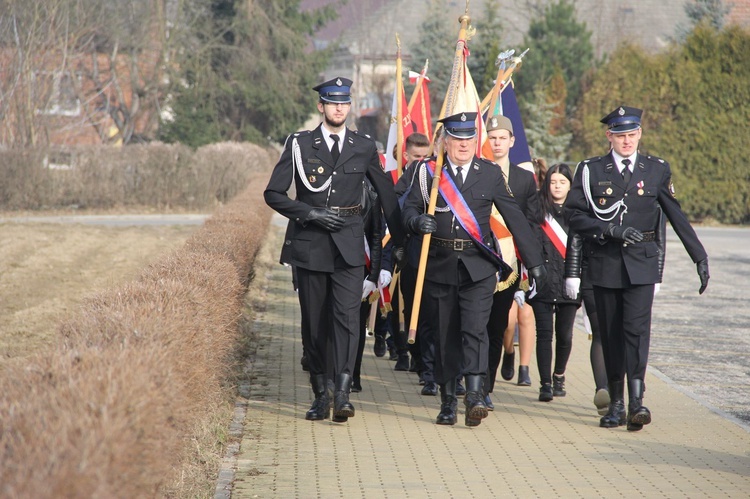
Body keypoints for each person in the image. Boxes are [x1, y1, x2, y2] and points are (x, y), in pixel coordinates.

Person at [264, 76, 404, 423]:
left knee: (346, 320)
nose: (339, 108)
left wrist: (403, 239)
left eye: (344, 103)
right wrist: (309, 212)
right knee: (315, 324)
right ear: (321, 107)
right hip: (311, 244)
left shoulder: (363, 145)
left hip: (349, 244)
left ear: (349, 107)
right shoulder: (300, 144)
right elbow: (274, 194)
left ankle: (342, 393)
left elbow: (386, 195)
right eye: (332, 102)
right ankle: (320, 392)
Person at [565, 105, 709, 431]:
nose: (627, 141)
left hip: (642, 262)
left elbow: (676, 215)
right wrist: (609, 230)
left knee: (637, 332)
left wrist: (698, 256)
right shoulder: (591, 171)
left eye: (632, 134)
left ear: (640, 134)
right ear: (609, 136)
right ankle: (615, 404)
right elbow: (573, 216)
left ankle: (637, 401)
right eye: (620, 135)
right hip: (605, 261)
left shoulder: (656, 169)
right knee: (612, 333)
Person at [402, 112, 546, 427]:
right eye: (457, 139)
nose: (463, 145)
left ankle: (476, 395)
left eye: (469, 139)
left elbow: (515, 217)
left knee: (475, 330)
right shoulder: (428, 173)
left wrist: (534, 263)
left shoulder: (490, 173)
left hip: (477, 268)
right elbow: (409, 207)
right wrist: (415, 221)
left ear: (474, 141)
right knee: (445, 334)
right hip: (439, 266)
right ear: (446, 141)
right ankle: (448, 400)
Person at [482, 115, 544, 405]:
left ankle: (486, 387)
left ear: (511, 141)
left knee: (497, 326)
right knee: (472, 324)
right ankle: (467, 379)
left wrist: (528, 265)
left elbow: (531, 224)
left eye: (501, 138)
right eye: (491, 137)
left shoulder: (522, 178)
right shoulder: (477, 171)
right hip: (478, 260)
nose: (496, 143)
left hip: (509, 265)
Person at [529, 163, 581, 401]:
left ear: (570, 185)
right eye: (553, 181)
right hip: (544, 281)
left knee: (565, 334)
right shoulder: (536, 208)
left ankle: (559, 374)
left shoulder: (579, 210)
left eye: (562, 182)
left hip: (569, 280)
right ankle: (545, 384)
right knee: (544, 334)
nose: (557, 186)